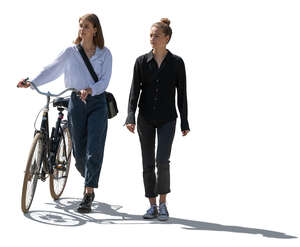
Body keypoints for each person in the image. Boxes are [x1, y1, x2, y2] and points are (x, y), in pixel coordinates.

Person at [17, 13, 112, 214]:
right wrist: (32, 82)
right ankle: (88, 174)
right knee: (78, 153)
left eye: (87, 26)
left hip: (97, 103)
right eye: (80, 25)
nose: (82, 29)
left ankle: (88, 192)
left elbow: (104, 81)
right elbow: (51, 69)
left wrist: (90, 90)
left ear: (95, 29)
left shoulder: (105, 54)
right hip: (76, 102)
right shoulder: (70, 52)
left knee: (94, 148)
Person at [125, 18, 190, 221]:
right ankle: (151, 205)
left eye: (156, 35)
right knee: (147, 162)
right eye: (151, 35)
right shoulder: (141, 62)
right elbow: (134, 92)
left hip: (168, 119)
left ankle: (163, 204)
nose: (152, 38)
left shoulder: (177, 63)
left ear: (167, 38)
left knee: (162, 160)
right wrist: (130, 116)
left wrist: (185, 122)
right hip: (145, 118)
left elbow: (182, 94)